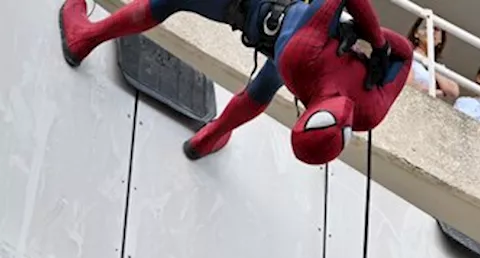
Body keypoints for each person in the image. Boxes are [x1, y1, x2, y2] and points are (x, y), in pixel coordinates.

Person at [58, 0, 413, 166]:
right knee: (264, 85)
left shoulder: (304, 56)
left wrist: (374, 39)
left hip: (256, 13)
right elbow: (407, 53)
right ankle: (210, 136)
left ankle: (85, 37)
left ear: (306, 118)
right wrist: (379, 47)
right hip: (279, 39)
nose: (344, 111)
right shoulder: (369, 112)